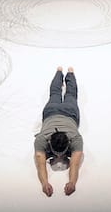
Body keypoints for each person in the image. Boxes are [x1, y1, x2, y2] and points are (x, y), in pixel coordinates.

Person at [34, 66, 84, 197]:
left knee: (56, 93)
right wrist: (45, 183)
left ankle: (61, 71)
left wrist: (72, 182)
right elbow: (74, 162)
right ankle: (68, 72)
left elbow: (41, 164)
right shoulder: (76, 139)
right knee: (69, 95)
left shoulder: (41, 139)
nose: (59, 157)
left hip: (58, 111)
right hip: (64, 112)